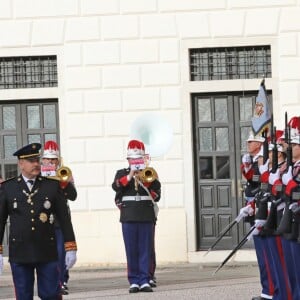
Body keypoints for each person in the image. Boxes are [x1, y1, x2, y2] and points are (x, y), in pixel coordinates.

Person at [0, 143, 77, 300]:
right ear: (21, 163)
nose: (36, 164)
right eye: (31, 161)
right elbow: (0, 221)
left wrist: (71, 246)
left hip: (46, 250)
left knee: (50, 294)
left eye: (37, 160)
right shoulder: (8, 188)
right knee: (23, 295)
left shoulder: (52, 186)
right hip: (20, 251)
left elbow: (64, 218)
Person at [112, 140, 161, 293]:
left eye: (138, 159)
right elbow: (116, 187)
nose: (135, 162)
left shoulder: (150, 173)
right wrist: (131, 175)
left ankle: (145, 279)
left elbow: (157, 195)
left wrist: (146, 182)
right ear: (128, 160)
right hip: (129, 215)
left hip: (146, 215)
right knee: (131, 249)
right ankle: (133, 280)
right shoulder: (122, 173)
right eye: (133, 159)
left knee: (146, 249)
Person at [240, 131, 274, 300]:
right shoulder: (254, 159)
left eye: (251, 141)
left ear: (260, 143)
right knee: (261, 252)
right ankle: (266, 289)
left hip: (261, 206)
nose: (248, 144)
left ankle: (270, 290)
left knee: (266, 252)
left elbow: (260, 179)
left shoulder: (263, 159)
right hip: (254, 205)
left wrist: (248, 169)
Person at [41, 140, 77, 296]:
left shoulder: (64, 173)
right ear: (43, 160)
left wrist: (64, 183)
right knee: (46, 253)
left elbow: (73, 196)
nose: (50, 162)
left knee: (61, 252)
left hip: (59, 219)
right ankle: (51, 280)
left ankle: (61, 281)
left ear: (58, 160)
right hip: (43, 220)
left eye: (53, 159)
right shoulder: (38, 174)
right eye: (47, 159)